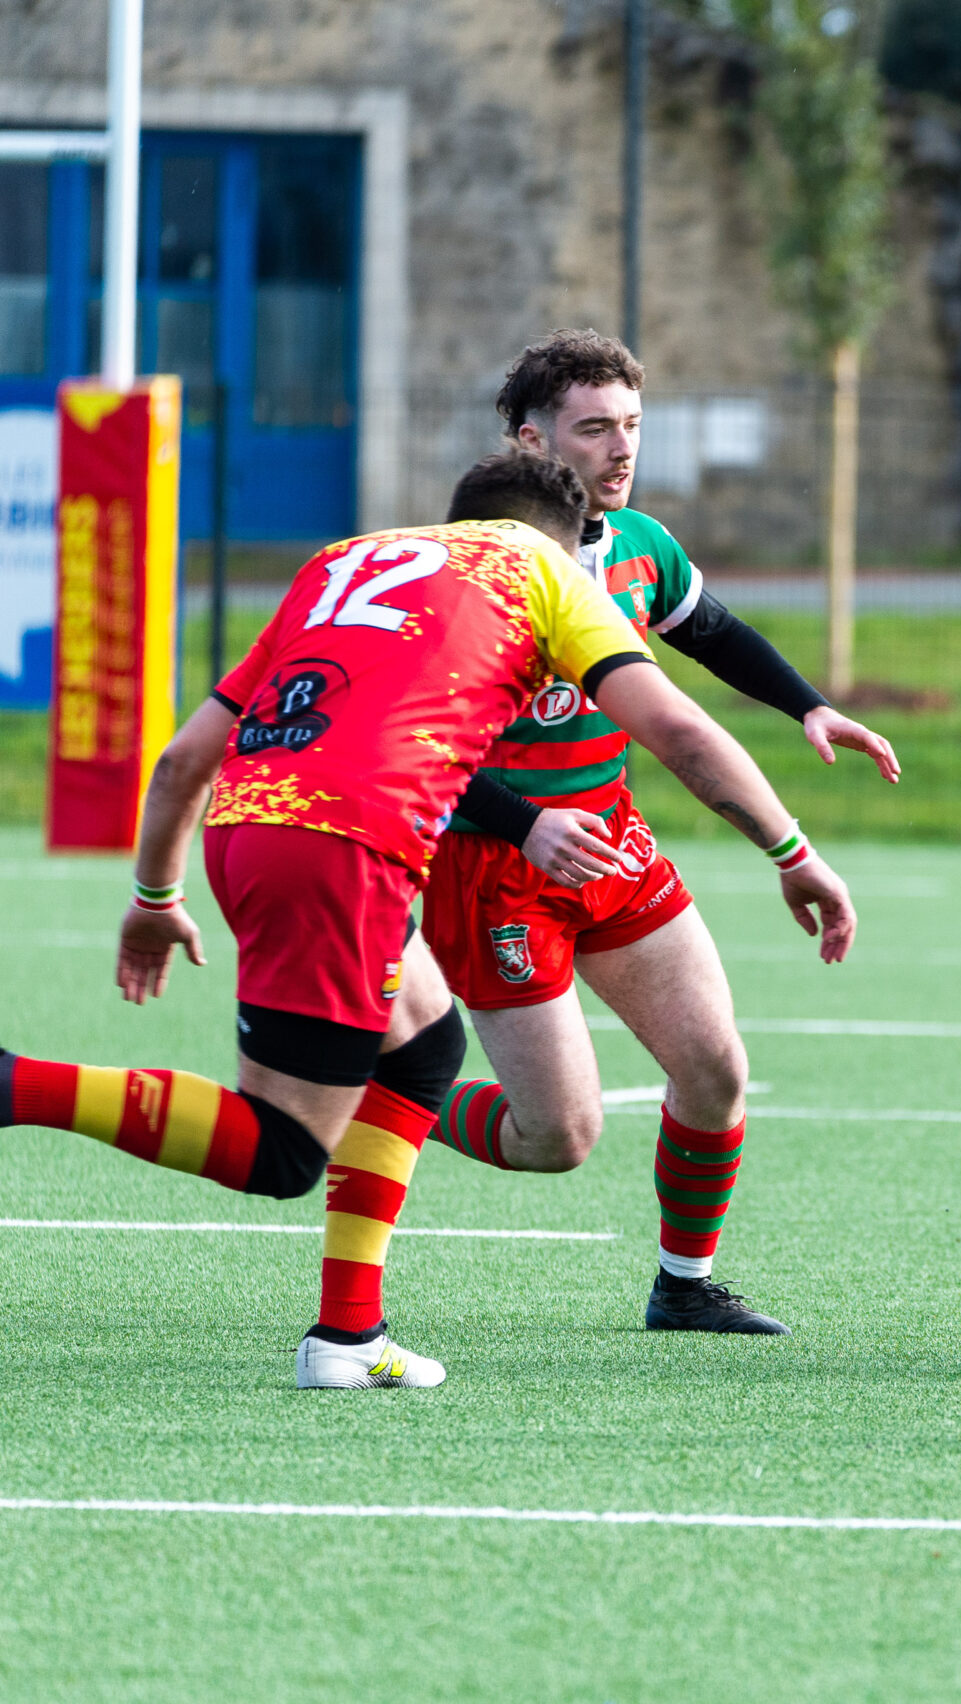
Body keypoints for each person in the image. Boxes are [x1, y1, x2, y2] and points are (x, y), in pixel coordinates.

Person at [0, 452, 857, 1388]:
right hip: (349, 845)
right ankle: (16, 1085)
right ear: (555, 541)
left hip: (248, 825)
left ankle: (347, 1338)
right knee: (284, 1148)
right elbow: (683, 732)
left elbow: (181, 762)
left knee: (422, 1048)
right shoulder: (540, 571)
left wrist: (155, 898)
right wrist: (794, 852)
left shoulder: (341, 563)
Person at [415, 330, 899, 1336]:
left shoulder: (638, 544)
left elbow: (710, 631)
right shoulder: (461, 574)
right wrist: (523, 822)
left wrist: (807, 705)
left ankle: (685, 1285)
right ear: (531, 439)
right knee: (556, 1137)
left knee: (715, 1069)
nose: (622, 447)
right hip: (492, 863)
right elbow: (407, 747)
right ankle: (391, 1084)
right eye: (595, 428)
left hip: (612, 842)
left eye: (632, 424)